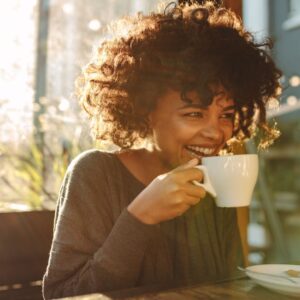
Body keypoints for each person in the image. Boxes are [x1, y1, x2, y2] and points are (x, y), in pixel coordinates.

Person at [43, 1, 281, 298]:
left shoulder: (213, 178)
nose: (216, 131)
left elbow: (227, 286)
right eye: (194, 113)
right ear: (145, 110)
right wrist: (140, 217)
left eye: (227, 115)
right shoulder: (95, 173)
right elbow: (61, 295)